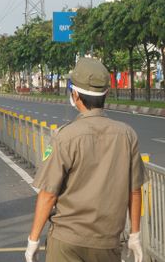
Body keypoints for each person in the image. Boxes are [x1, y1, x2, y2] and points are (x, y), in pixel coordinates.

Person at [25, 58, 145, 262]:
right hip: (107, 243)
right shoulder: (127, 135)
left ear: (75, 95)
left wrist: (33, 240)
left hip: (67, 242)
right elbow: (134, 190)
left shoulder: (65, 136)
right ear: (106, 93)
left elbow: (48, 194)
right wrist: (135, 235)